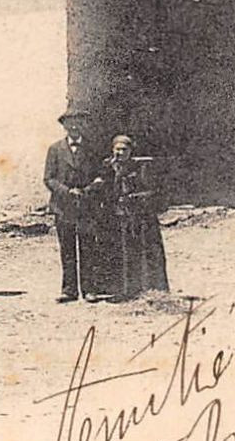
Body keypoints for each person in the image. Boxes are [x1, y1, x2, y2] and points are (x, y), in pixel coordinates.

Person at [92, 135, 169, 298]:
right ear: (112, 150)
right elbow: (100, 188)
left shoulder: (140, 167)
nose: (120, 153)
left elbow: (151, 190)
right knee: (116, 251)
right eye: (117, 149)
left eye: (124, 150)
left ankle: (143, 288)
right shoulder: (107, 167)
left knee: (139, 251)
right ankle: (117, 289)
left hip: (137, 216)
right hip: (115, 216)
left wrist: (133, 198)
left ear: (131, 151)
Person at [44, 109, 104, 302]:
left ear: (84, 125)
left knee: (88, 247)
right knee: (67, 249)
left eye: (79, 123)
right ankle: (69, 290)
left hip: (87, 205)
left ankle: (89, 289)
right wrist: (67, 191)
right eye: (70, 123)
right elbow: (49, 179)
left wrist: (86, 190)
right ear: (64, 126)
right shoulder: (55, 149)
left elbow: (101, 176)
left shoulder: (93, 149)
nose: (75, 127)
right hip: (64, 206)